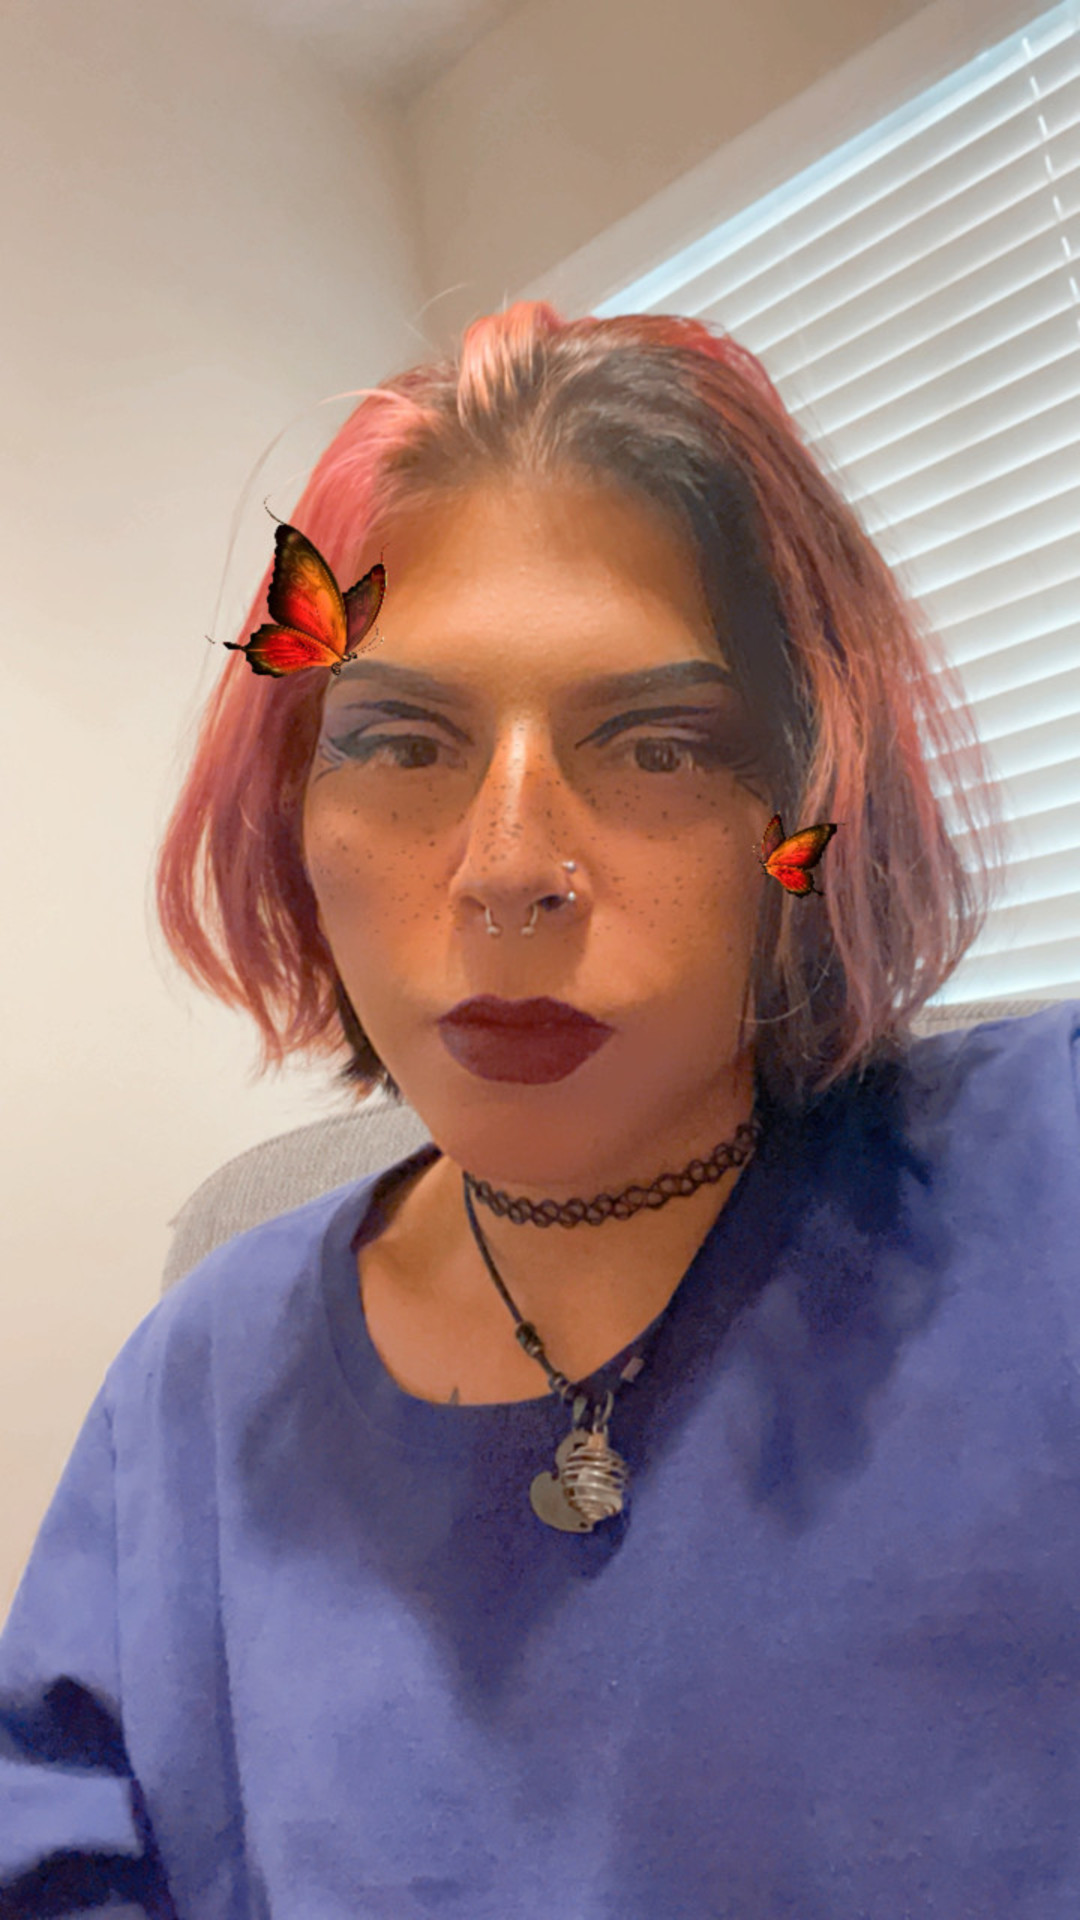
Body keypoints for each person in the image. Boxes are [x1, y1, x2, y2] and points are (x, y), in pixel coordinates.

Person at [2, 302, 1077, 1918]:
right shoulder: (197, 1394)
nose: (508, 868)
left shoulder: (1046, 1175)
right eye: (400, 741)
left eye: (660, 746)